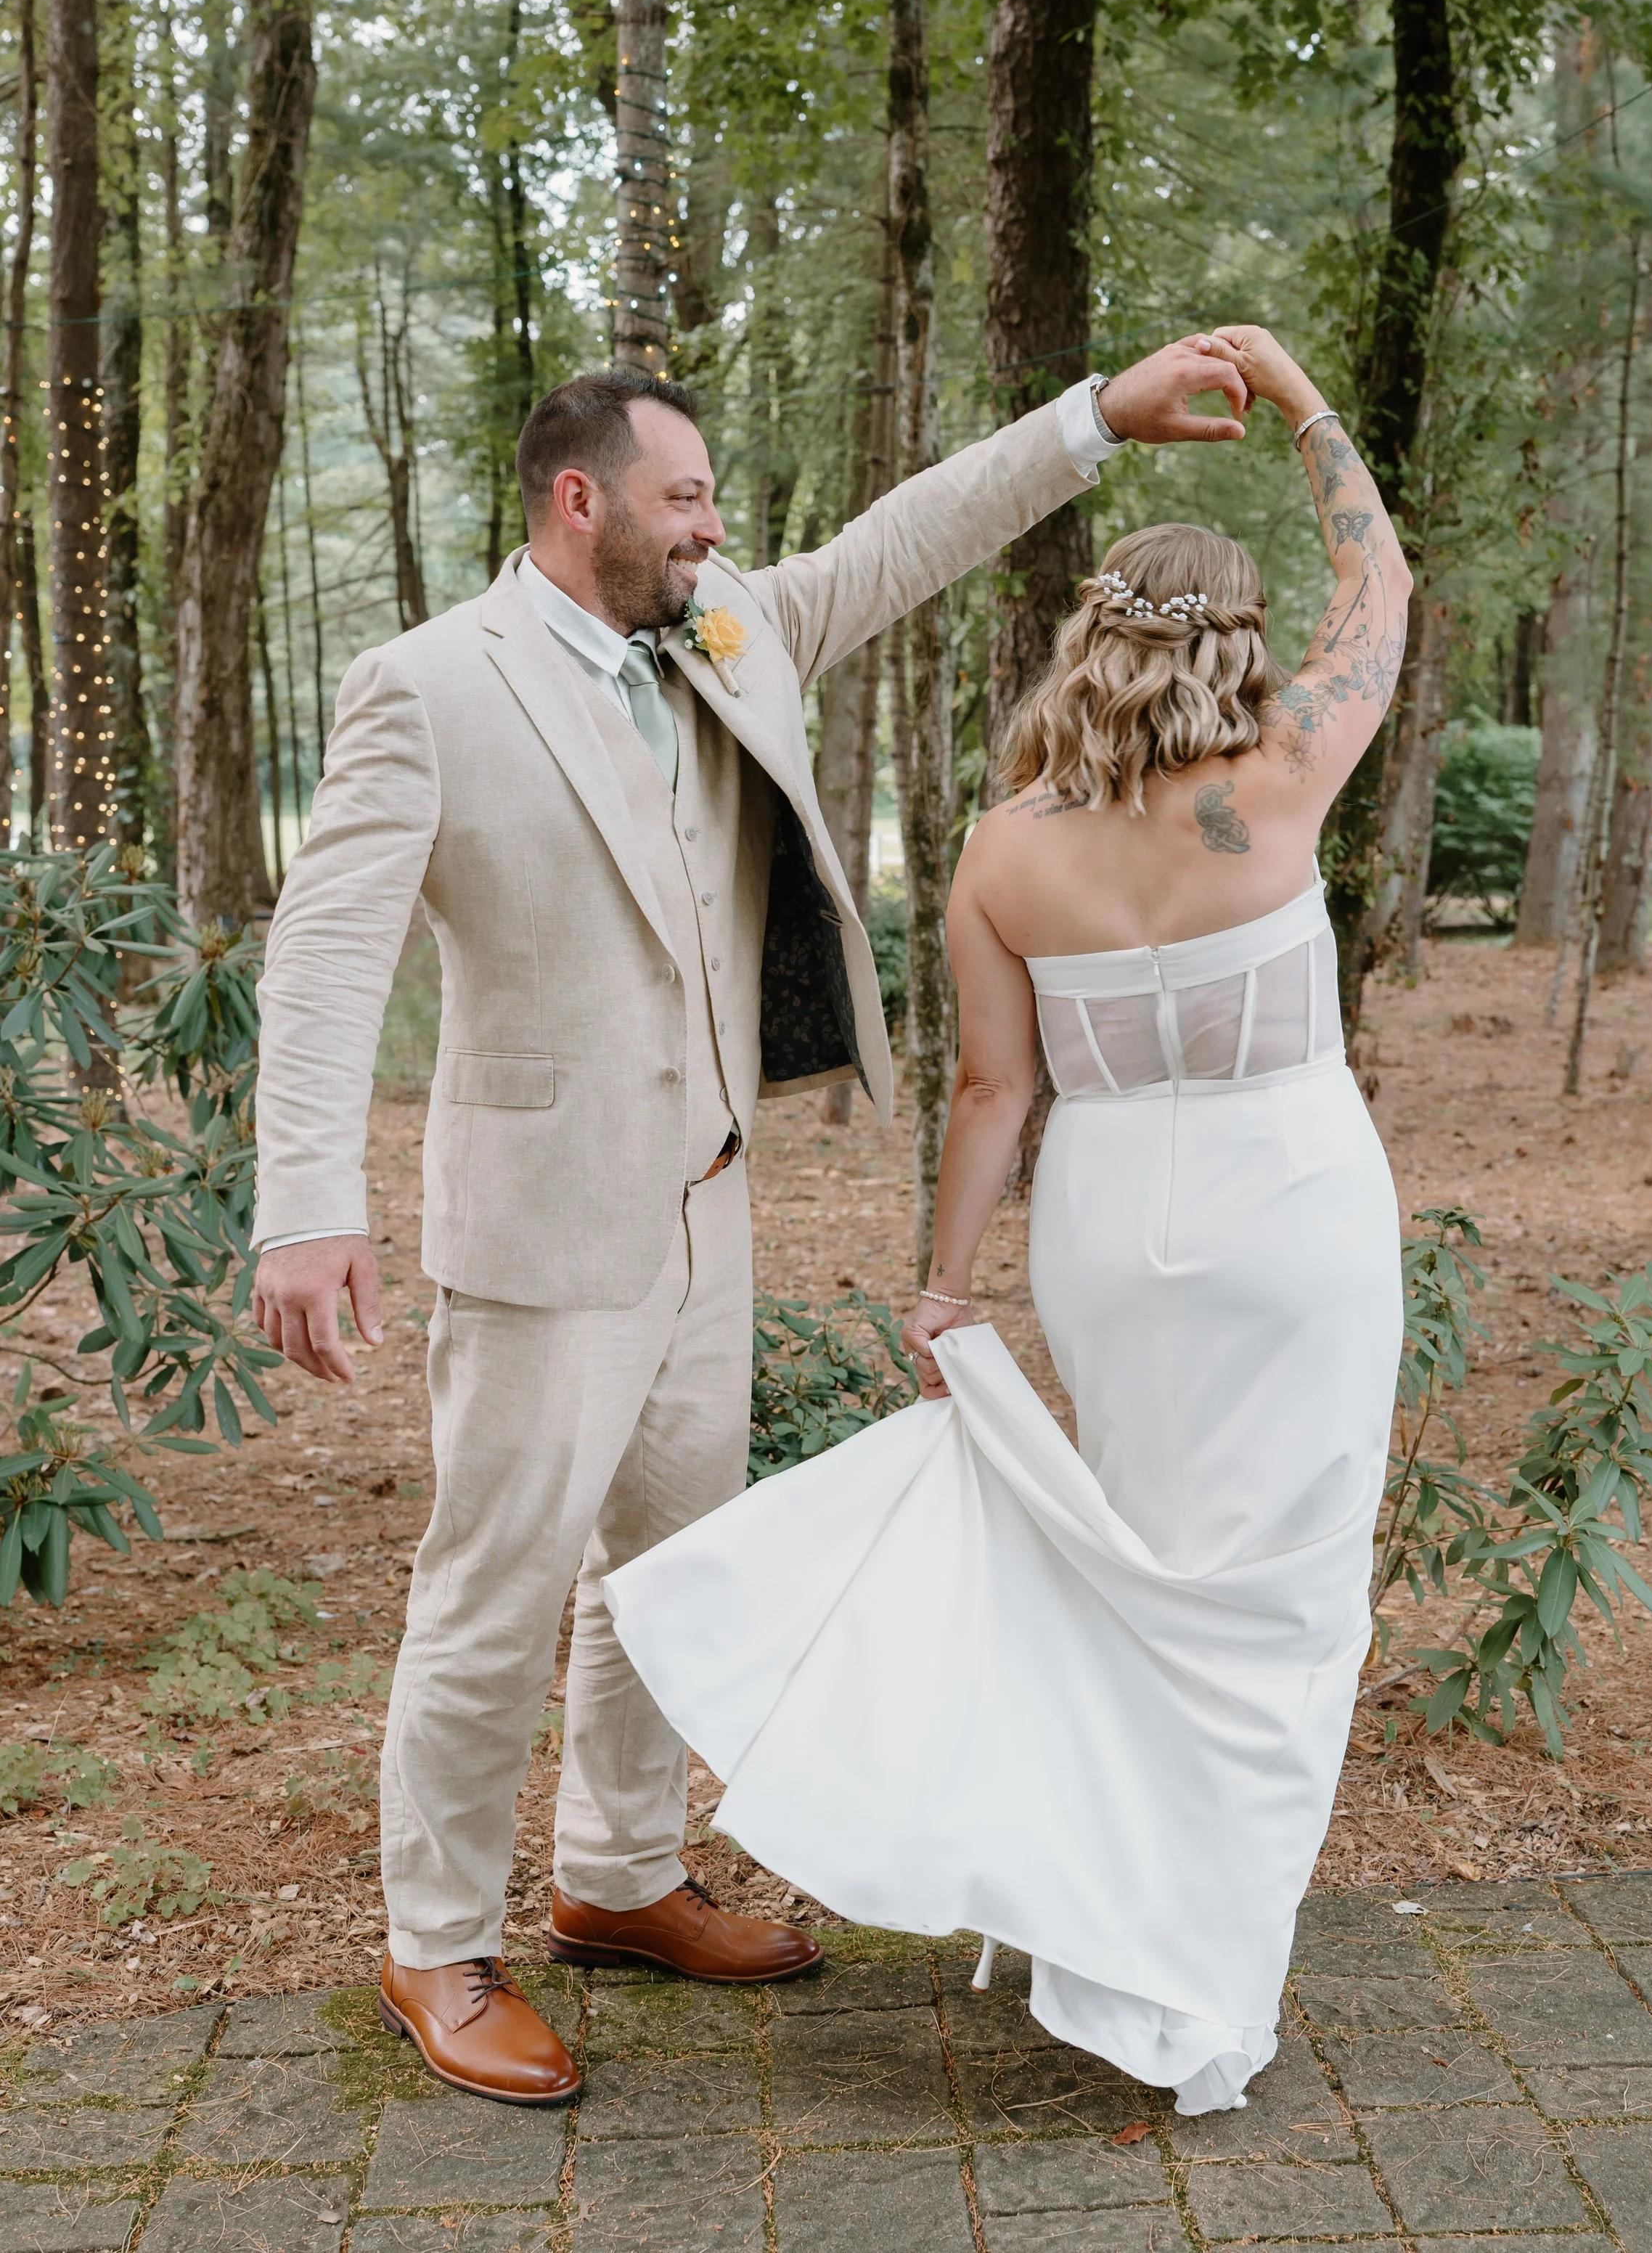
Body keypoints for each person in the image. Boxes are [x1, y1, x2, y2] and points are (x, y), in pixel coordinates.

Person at [248, 335, 1251, 2106]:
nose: (713, 527)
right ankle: (435, 1944)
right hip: (543, 1232)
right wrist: (307, 1205)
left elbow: (905, 536)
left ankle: (616, 1878)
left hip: (712, 1214)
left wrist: (1096, 417)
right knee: (491, 1596)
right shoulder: (431, 684)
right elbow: (326, 957)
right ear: (581, 502)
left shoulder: (723, 626)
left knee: (670, 1579)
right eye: (683, 497)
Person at [604, 324, 1412, 2117]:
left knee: (1134, 1578)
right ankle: (1197, 1972)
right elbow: (1385, 582)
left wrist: (945, 1283)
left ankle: (1112, 1920)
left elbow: (995, 1092)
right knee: (1277, 1612)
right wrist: (1293, 403)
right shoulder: (1277, 781)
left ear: (1089, 642)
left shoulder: (998, 852)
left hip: (1111, 1239)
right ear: (1239, 648)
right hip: (1295, 1226)